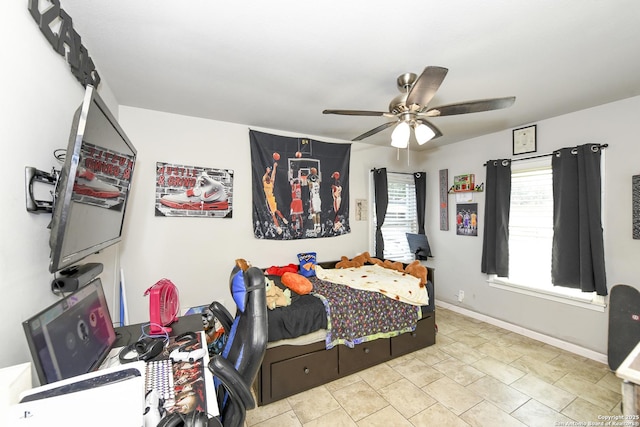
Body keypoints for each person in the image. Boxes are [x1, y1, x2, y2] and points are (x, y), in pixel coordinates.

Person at [262, 162, 288, 234]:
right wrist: (267, 172)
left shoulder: (271, 182)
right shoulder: (264, 182)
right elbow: (265, 177)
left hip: (271, 199)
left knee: (275, 213)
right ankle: (281, 223)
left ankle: (281, 223)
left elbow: (273, 174)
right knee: (275, 213)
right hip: (270, 200)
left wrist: (274, 166)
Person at [307, 167, 322, 233]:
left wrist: (310, 175)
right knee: (318, 213)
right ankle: (319, 226)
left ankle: (315, 226)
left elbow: (308, 181)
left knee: (313, 213)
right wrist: (314, 174)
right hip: (318, 198)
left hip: (313, 199)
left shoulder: (311, 184)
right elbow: (317, 179)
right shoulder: (318, 183)